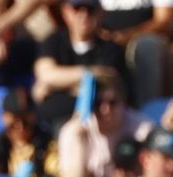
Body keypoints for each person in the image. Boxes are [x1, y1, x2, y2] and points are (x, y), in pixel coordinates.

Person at [55, 71, 150, 177]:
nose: (105, 110)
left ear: (123, 102)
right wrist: (79, 137)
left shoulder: (142, 129)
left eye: (112, 103)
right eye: (98, 103)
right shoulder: (73, 130)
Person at [31, 0, 126, 136]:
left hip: (93, 127)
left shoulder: (110, 49)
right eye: (77, 9)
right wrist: (92, 75)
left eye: (89, 10)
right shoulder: (53, 41)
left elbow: (108, 83)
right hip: (47, 126)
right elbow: (46, 74)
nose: (83, 15)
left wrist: (54, 85)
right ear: (65, 12)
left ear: (100, 14)